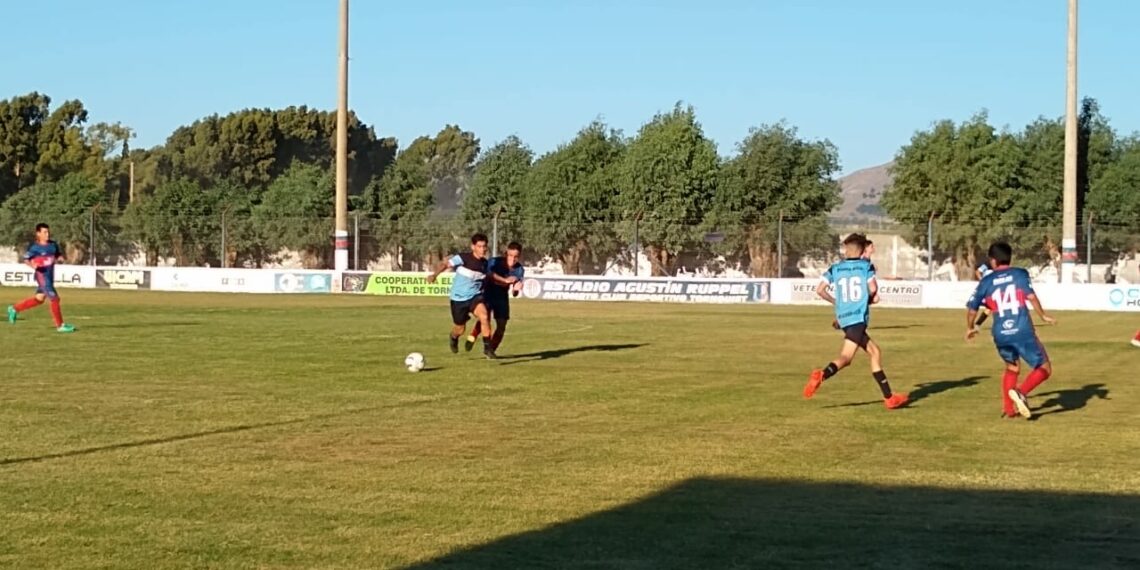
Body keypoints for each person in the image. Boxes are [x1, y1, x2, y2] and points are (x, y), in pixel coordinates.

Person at [806, 233, 908, 409]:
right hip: (857, 318)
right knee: (846, 358)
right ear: (862, 250)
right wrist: (869, 299)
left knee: (875, 352)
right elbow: (873, 289)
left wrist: (838, 303)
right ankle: (821, 374)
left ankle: (889, 398)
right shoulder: (865, 267)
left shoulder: (835, 268)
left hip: (844, 318)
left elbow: (820, 290)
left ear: (846, 249)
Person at [965, 242, 1057, 419]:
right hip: (1022, 329)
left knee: (1012, 368)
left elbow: (972, 309)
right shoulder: (1020, 274)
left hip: (1000, 333)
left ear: (993, 261)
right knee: (1044, 368)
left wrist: (970, 328)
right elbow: (1030, 296)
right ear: (1010, 257)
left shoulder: (986, 281)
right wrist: (1043, 315)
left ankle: (1008, 410)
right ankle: (1021, 392)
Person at [426, 233, 500, 359]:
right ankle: (453, 337)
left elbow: (490, 277)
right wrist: (435, 275)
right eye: (479, 246)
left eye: (484, 246)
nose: (482, 249)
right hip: (458, 299)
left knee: (484, 315)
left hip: (475, 297)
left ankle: (488, 349)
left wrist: (507, 281)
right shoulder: (463, 258)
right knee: (460, 329)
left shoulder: (485, 264)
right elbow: (445, 264)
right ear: (473, 247)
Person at [7, 223, 75, 333]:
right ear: (38, 233)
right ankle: (60, 326)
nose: (47, 234)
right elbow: (26, 259)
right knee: (55, 299)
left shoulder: (53, 245)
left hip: (49, 275)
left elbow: (57, 255)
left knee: (39, 299)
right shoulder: (35, 248)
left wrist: (60, 258)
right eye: (44, 232)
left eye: (48, 232)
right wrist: (33, 265)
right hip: (42, 276)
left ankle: (14, 309)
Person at [467, 242, 525, 353]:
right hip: (488, 293)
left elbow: (515, 291)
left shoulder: (519, 270)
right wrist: (505, 280)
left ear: (519, 256)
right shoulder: (494, 262)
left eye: (516, 256)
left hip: (502, 297)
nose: (512, 259)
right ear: (506, 253)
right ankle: (473, 336)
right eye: (510, 255)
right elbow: (488, 274)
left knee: (502, 325)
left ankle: (490, 350)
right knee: (485, 318)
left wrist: (516, 289)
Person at [971, 261, 995, 331]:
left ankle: (977, 324)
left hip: (992, 289)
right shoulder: (987, 264)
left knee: (990, 307)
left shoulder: (999, 266)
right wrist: (982, 281)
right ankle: (974, 324)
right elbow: (978, 272)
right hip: (985, 289)